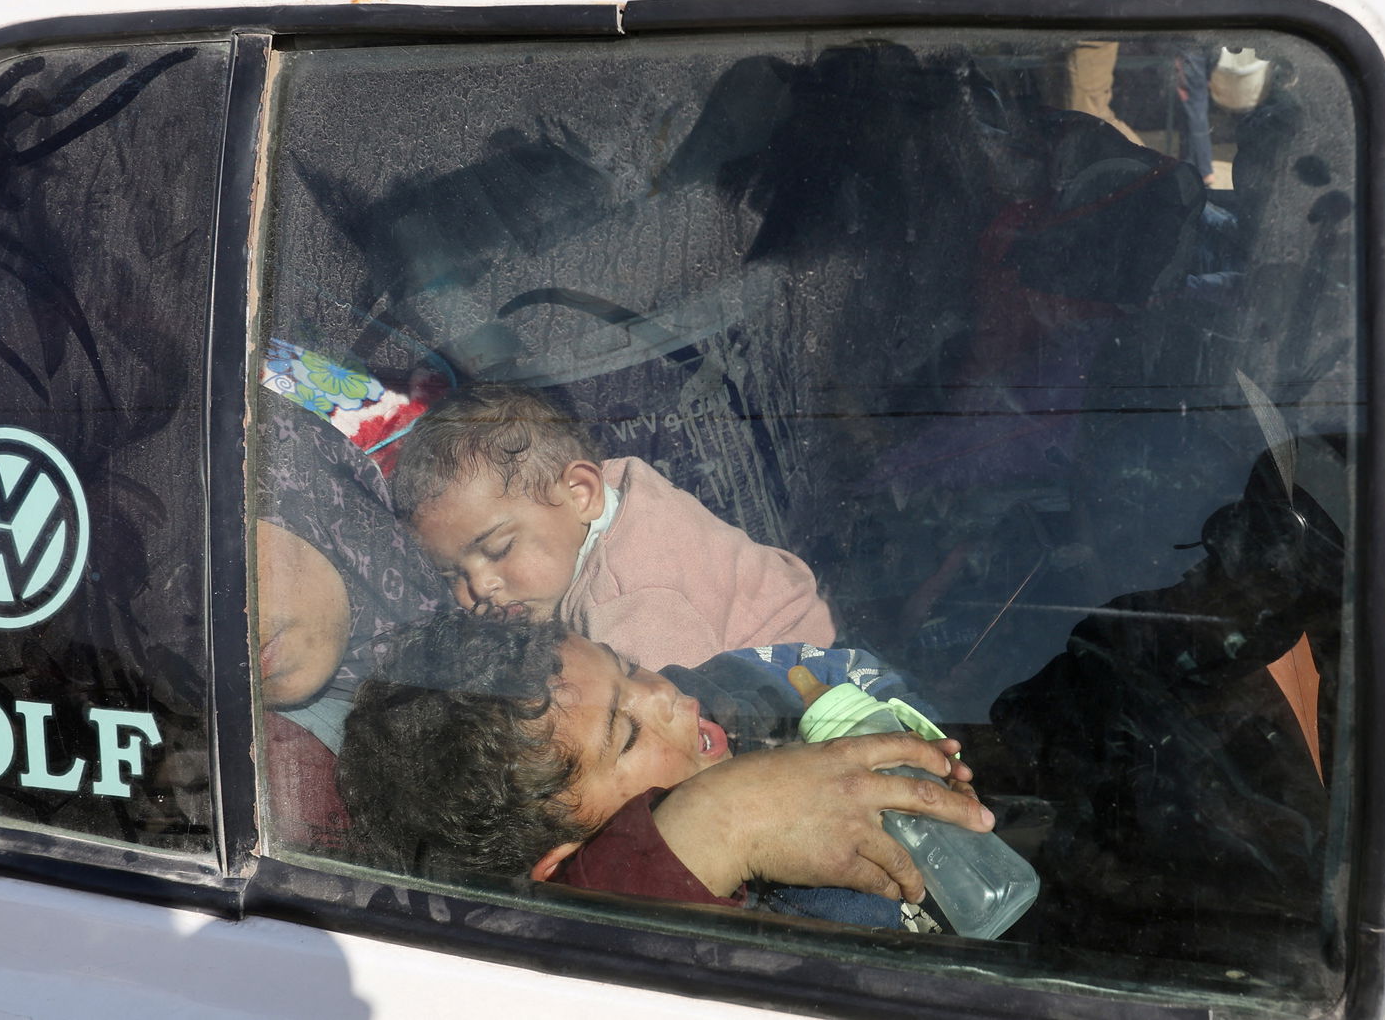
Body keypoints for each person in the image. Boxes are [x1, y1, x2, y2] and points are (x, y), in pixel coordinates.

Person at [336, 612, 993, 925]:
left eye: (624, 665)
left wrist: (914, 738)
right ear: (562, 861)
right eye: (625, 735)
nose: (670, 698)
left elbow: (841, 672)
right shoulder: (710, 937)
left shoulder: (740, 686)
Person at [390, 383, 836, 672]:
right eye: (452, 574)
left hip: (803, 688)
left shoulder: (627, 600)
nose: (481, 586)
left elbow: (670, 716)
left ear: (582, 491)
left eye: (499, 548)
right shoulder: (605, 492)